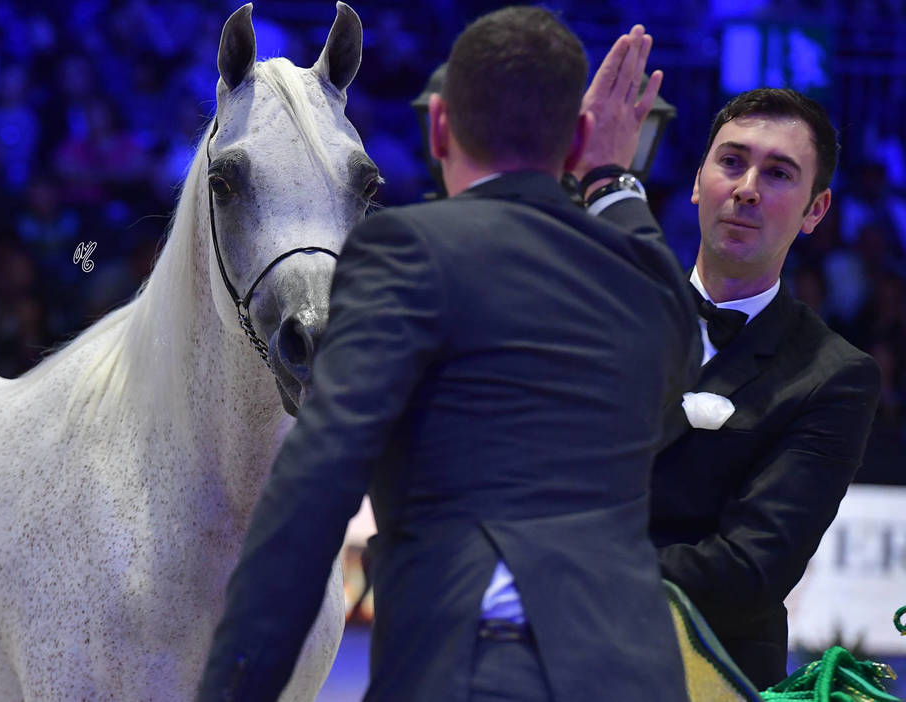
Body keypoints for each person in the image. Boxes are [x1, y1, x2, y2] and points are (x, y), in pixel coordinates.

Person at [199, 9, 700, 701]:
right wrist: (612, 179)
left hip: (464, 672)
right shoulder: (643, 277)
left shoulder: (399, 252)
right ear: (579, 138)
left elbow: (312, 500)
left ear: (437, 128)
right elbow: (678, 332)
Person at [648, 88, 882, 690]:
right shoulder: (605, 314)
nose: (747, 187)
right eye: (731, 161)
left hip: (701, 682)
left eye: (778, 173)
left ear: (815, 210)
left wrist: (561, 565)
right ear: (698, 181)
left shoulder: (834, 375)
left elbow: (749, 573)